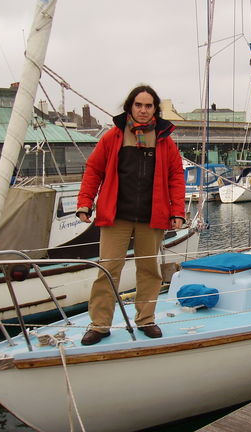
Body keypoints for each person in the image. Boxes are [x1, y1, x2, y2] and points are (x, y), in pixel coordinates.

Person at [76, 85, 186, 345]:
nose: (144, 110)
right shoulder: (112, 137)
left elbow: (176, 177)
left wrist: (177, 211)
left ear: (155, 110)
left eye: (149, 106)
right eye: (139, 105)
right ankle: (100, 324)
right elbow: (93, 171)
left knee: (149, 270)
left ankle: (146, 319)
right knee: (107, 270)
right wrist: (84, 203)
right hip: (116, 217)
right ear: (130, 107)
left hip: (152, 217)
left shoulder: (164, 140)